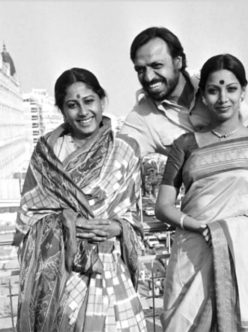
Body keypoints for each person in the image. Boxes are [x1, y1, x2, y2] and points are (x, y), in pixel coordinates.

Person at [121, 27, 248, 332]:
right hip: (213, 211)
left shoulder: (214, 78)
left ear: (178, 61)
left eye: (156, 66)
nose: (148, 77)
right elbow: (120, 157)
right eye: (140, 69)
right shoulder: (142, 119)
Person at [156, 53, 248, 331]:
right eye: (213, 90)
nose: (223, 98)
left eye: (231, 89)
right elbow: (163, 206)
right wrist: (200, 227)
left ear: (243, 92)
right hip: (197, 247)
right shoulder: (184, 145)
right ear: (203, 96)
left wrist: (233, 234)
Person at [13, 68, 147, 332]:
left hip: (108, 266)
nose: (83, 112)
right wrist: (69, 224)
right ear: (62, 110)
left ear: (101, 100)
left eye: (89, 101)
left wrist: (118, 227)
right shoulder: (46, 155)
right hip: (62, 274)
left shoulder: (125, 149)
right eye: (72, 105)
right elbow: (28, 217)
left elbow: (134, 214)